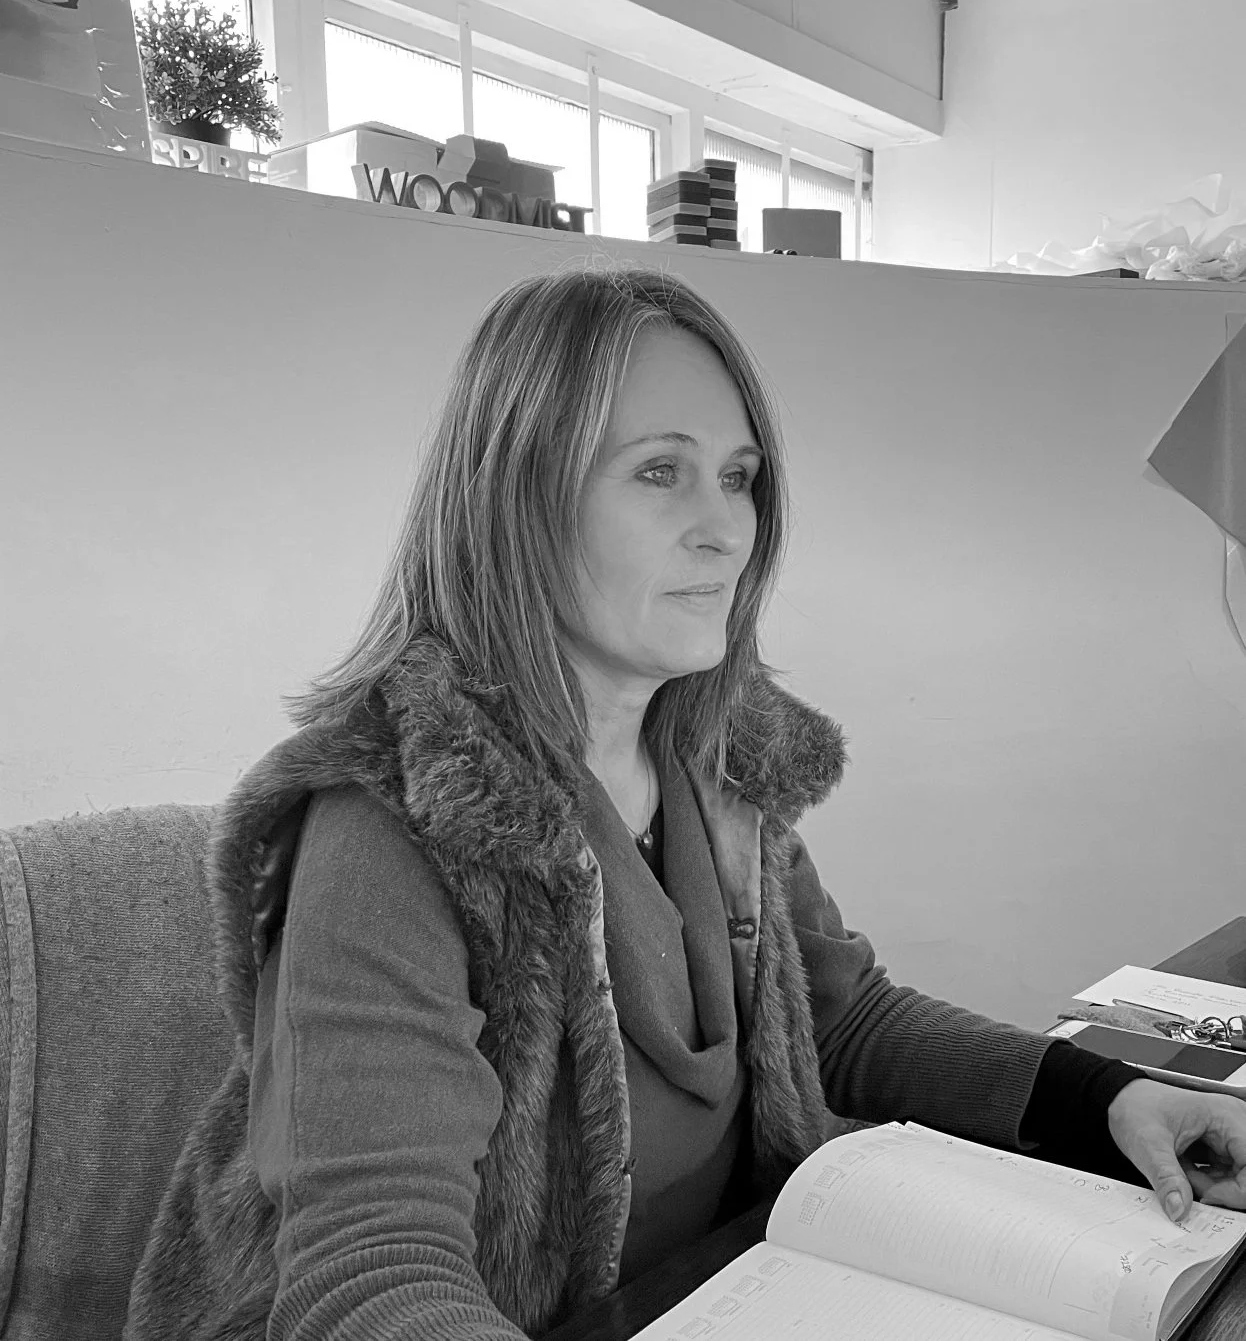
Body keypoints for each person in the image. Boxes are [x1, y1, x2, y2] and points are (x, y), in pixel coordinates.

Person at [123, 263, 1246, 1341]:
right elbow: (368, 1280)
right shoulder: (389, 824)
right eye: (660, 471)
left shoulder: (717, 760)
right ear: (516, 498)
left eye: (739, 476)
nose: (726, 528)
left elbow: (841, 1018)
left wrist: (1107, 1097)